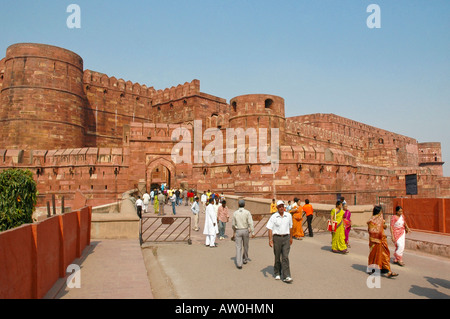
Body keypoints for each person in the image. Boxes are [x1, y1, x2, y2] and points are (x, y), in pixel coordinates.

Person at [266, 200, 294, 283]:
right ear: (277, 208)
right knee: (277, 256)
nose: (281, 208)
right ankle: (277, 272)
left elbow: (291, 227)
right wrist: (270, 240)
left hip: (286, 237)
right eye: (280, 206)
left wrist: (291, 237)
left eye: (282, 206)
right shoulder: (274, 217)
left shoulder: (288, 216)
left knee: (285, 257)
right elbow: (270, 228)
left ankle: (287, 276)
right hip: (277, 238)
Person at [367, 205, 398, 278]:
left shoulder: (380, 220)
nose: (382, 213)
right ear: (379, 212)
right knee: (375, 256)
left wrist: (383, 226)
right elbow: (371, 230)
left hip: (382, 240)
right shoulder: (372, 220)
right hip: (375, 241)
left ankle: (387, 270)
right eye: (381, 211)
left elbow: (383, 226)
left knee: (385, 255)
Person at [232, 199, 255, 269]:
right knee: (246, 246)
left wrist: (234, 231)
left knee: (238, 247)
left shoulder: (235, 213)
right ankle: (245, 259)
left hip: (238, 230)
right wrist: (253, 232)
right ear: (244, 205)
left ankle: (239, 263)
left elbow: (233, 224)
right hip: (245, 230)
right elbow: (250, 222)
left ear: (238, 205)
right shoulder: (247, 212)